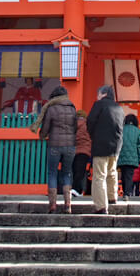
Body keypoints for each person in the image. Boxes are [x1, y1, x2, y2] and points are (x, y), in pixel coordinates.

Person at [37, 85, 77, 213]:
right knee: (67, 173)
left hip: (54, 145)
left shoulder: (51, 109)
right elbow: (75, 127)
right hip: (70, 146)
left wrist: (42, 136)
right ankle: (68, 204)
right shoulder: (72, 108)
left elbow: (46, 127)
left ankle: (53, 204)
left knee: (52, 173)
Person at [86, 85, 124, 214]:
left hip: (101, 144)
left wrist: (94, 136)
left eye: (98, 94)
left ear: (103, 94)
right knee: (112, 172)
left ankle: (101, 206)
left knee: (99, 176)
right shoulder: (119, 108)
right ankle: (112, 198)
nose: (97, 97)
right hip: (116, 145)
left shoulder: (99, 105)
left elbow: (90, 122)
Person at [117, 114, 140, 199]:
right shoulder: (137, 131)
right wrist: (139, 158)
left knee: (123, 175)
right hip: (132, 157)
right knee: (129, 175)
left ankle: (125, 192)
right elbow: (138, 146)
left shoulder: (121, 129)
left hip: (122, 156)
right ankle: (127, 193)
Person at [71, 109, 91, 197]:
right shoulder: (88, 125)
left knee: (74, 170)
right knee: (81, 171)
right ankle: (78, 189)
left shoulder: (73, 125)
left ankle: (75, 189)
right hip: (85, 150)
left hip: (74, 150)